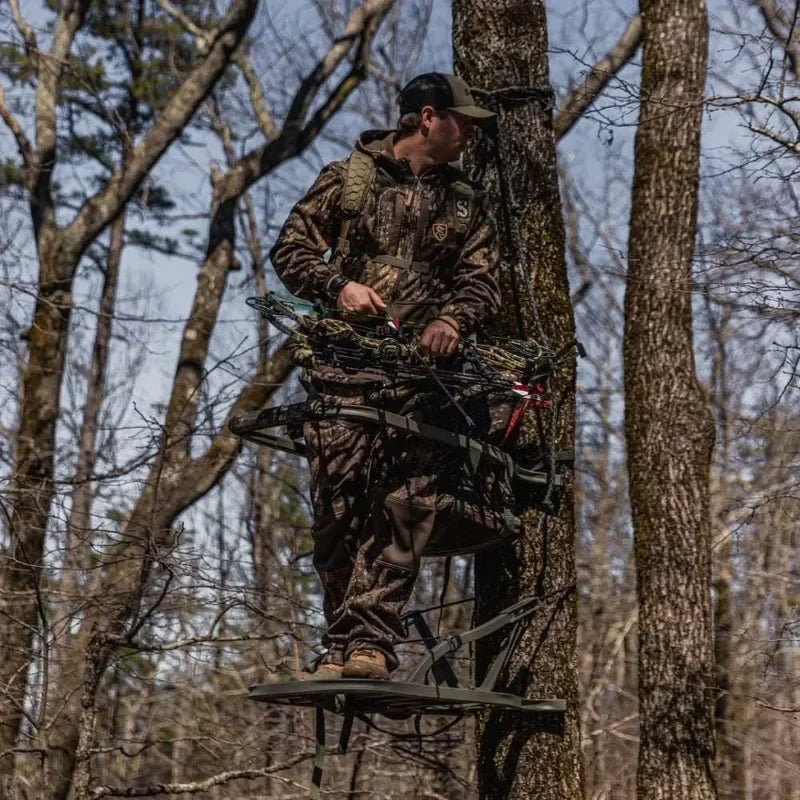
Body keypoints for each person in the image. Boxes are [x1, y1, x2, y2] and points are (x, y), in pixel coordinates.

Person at [269, 73, 501, 680]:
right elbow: (290, 250)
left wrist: (453, 317)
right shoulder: (349, 180)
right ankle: (338, 646)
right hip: (343, 374)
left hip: (424, 383)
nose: (470, 133)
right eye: (463, 120)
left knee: (405, 506)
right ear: (428, 118)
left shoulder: (465, 199)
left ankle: (371, 645)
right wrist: (337, 286)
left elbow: (483, 281)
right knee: (337, 511)